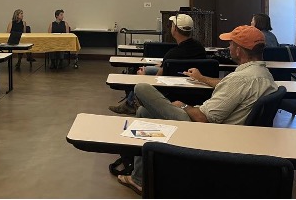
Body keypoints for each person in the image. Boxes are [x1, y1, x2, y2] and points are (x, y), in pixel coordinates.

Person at [116, 25, 278, 196]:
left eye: (230, 44)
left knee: (141, 88)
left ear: (238, 51)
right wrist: (201, 79)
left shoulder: (240, 79)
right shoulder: (263, 74)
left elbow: (203, 118)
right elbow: (229, 87)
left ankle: (145, 176)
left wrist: (184, 106)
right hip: (233, 134)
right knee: (144, 113)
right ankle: (140, 178)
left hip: (207, 132)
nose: (228, 47)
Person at [109, 14, 206, 115]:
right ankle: (130, 103)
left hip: (171, 91)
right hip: (194, 89)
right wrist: (160, 65)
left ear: (175, 30)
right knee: (147, 69)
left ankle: (130, 104)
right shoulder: (200, 48)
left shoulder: (172, 54)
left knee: (142, 73)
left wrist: (143, 79)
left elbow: (157, 80)